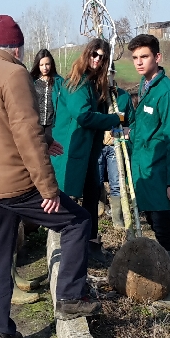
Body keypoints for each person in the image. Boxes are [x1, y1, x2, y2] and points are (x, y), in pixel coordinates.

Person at [0, 14, 101, 338]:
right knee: (78, 220)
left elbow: (1, 126)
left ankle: (1, 334)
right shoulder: (15, 74)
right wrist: (48, 188)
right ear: (16, 46)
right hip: (16, 184)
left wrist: (44, 139)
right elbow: (23, 131)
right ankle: (70, 296)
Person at [125, 34, 170, 310]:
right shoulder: (145, 85)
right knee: (154, 222)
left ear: (157, 58)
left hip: (160, 173)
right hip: (144, 170)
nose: (139, 62)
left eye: (144, 57)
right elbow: (144, 128)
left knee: (164, 228)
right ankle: (160, 279)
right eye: (135, 58)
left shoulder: (168, 92)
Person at [50, 39, 122, 261]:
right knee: (67, 196)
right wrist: (114, 119)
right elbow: (83, 116)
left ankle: (89, 242)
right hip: (71, 148)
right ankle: (66, 244)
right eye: (94, 54)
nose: (97, 60)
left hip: (88, 149)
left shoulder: (93, 83)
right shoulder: (77, 83)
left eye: (102, 57)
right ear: (86, 54)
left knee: (92, 193)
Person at [97, 68, 133, 229]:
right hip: (98, 144)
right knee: (96, 179)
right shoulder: (96, 93)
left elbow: (130, 121)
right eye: (104, 72)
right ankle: (98, 208)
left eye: (110, 72)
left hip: (115, 146)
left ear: (114, 73)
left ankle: (117, 217)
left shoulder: (123, 96)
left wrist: (122, 131)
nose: (107, 76)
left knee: (116, 181)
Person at [29, 49, 63, 144]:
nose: (45, 68)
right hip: (36, 124)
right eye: (41, 65)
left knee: (52, 151)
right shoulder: (32, 81)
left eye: (47, 64)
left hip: (52, 125)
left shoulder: (59, 81)